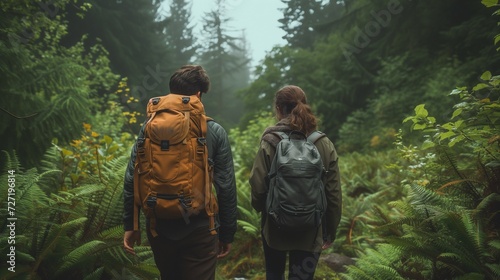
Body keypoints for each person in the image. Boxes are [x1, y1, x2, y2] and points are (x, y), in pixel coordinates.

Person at [122, 65, 237, 280]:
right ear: (198, 94)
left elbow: (132, 177)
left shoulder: (148, 127)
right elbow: (226, 185)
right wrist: (228, 233)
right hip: (201, 229)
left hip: (159, 226)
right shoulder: (214, 131)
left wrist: (131, 224)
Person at [249, 85, 342, 280]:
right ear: (305, 106)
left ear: (278, 109)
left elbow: (258, 187)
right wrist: (329, 230)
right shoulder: (322, 143)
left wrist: (265, 213)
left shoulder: (270, 141)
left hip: (275, 227)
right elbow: (333, 192)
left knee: (274, 275)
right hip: (312, 228)